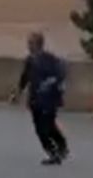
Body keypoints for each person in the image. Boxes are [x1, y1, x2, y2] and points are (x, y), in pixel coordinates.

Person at [9, 32, 69, 166]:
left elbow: (60, 75)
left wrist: (51, 84)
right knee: (40, 128)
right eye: (28, 43)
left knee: (46, 128)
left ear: (38, 45)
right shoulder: (29, 61)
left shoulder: (50, 59)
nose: (28, 46)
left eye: (31, 43)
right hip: (35, 100)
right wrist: (17, 93)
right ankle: (60, 147)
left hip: (49, 100)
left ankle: (55, 152)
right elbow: (24, 78)